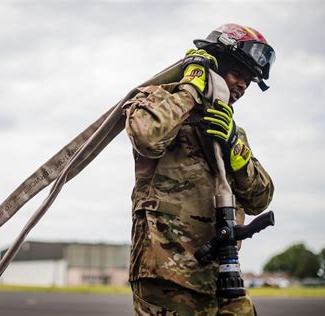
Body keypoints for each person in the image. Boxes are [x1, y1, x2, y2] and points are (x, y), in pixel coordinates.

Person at [124, 23, 276, 315]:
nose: (243, 86)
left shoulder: (231, 131)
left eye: (250, 80)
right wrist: (192, 87)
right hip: (168, 273)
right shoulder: (160, 99)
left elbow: (261, 199)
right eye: (239, 73)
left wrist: (237, 151)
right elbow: (147, 136)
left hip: (222, 276)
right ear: (215, 63)